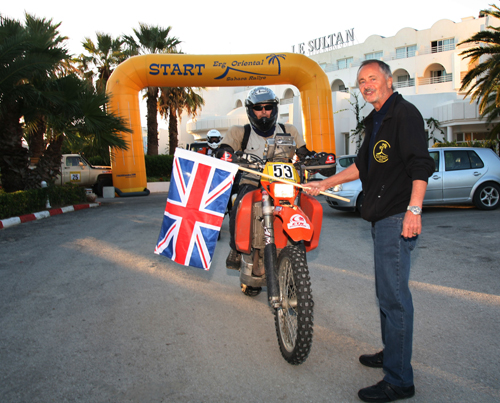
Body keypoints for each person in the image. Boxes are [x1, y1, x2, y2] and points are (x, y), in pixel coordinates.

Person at [303, 60, 435, 403]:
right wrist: (325, 183)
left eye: (372, 78)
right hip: (381, 218)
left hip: (397, 216)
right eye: (361, 81)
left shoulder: (404, 115)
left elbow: (420, 163)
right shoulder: (376, 119)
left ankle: (399, 380)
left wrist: (414, 210)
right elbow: (362, 166)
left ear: (389, 80)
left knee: (394, 298)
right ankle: (392, 353)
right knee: (385, 293)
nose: (366, 85)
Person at [216, 86, 313, 287]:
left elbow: (304, 153)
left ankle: (295, 252)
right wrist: (225, 153)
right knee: (239, 206)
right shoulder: (240, 132)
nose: (263, 112)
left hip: (284, 184)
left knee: (303, 208)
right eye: (258, 108)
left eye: (268, 107)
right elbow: (224, 149)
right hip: (252, 182)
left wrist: (313, 158)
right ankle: (236, 247)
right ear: (250, 110)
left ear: (274, 109)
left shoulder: (289, 130)